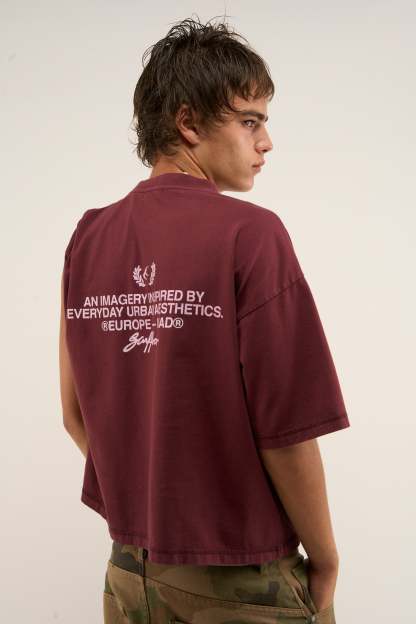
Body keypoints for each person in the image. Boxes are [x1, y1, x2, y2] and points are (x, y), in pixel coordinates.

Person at [59, 15, 350, 624]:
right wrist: (324, 557)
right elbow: (288, 429)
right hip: (241, 579)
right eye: (250, 121)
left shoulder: (88, 237)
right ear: (188, 123)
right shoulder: (251, 234)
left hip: (130, 574)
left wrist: (152, 502)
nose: (266, 142)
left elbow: (76, 413)